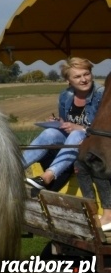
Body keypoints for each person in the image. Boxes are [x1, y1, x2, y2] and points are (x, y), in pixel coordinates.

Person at [24, 57, 104, 194]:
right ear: (68, 80)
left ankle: (47, 177)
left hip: (95, 143)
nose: (84, 79)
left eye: (86, 74)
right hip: (72, 142)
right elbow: (67, 121)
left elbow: (106, 129)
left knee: (76, 133)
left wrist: (81, 128)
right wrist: (58, 122)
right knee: (50, 132)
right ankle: (12, 169)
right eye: (77, 76)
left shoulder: (102, 94)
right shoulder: (65, 95)